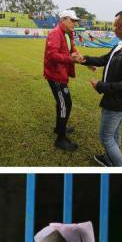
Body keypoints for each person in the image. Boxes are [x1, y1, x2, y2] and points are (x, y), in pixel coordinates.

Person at [78, 10, 122, 166]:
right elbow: (105, 59)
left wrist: (101, 86)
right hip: (115, 99)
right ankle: (109, 160)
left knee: (106, 137)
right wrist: (84, 59)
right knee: (114, 133)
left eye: (114, 25)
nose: (112, 29)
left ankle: (120, 169)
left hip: (118, 102)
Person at [43, 9, 84, 152]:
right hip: (55, 75)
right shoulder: (55, 33)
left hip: (62, 74)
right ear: (63, 20)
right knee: (64, 104)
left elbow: (73, 51)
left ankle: (59, 128)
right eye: (72, 20)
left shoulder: (68, 33)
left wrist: (84, 61)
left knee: (63, 103)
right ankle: (60, 139)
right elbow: (52, 55)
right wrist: (70, 59)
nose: (74, 23)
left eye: (75, 21)